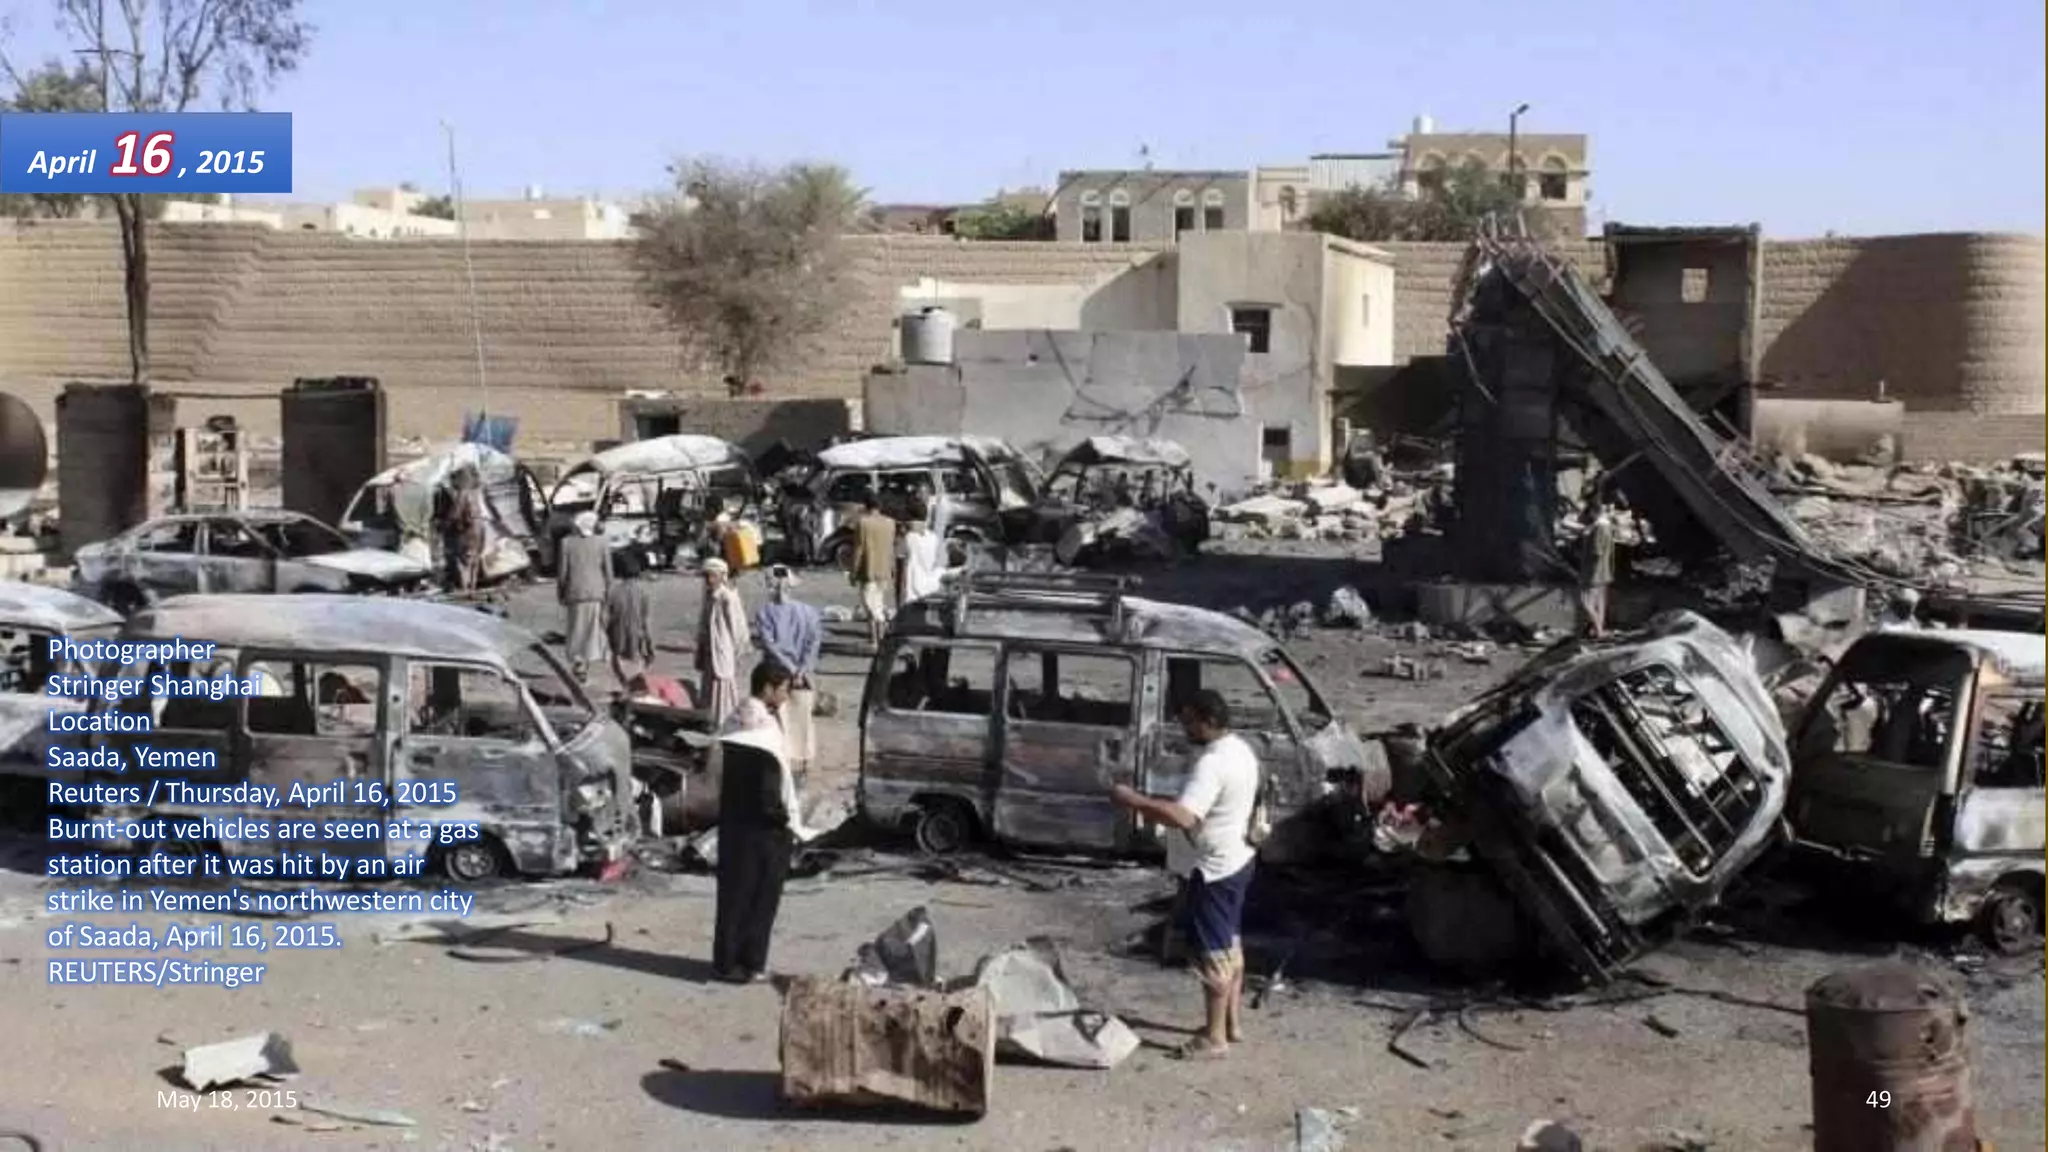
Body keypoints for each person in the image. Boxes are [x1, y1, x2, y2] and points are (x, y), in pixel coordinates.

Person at [1109, 689, 1260, 1059]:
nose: (1184, 727)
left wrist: (1134, 800)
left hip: (1213, 869)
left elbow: (1185, 816)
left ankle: (1214, 1037)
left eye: (1189, 720)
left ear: (1208, 721)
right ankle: (1231, 1024)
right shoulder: (1241, 749)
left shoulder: (1212, 763)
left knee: (1212, 952)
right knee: (1230, 945)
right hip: (1237, 858)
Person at [712, 660, 810, 983]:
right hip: (763, 830)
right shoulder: (763, 731)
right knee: (759, 898)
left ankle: (725, 961)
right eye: (783, 690)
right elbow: (769, 788)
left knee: (733, 896)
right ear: (768, 688)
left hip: (734, 824)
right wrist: (785, 822)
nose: (785, 697)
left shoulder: (737, 719)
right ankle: (749, 963)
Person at [753, 565, 823, 778]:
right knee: (803, 719)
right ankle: (804, 764)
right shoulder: (808, 612)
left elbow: (770, 645)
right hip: (804, 674)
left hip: (775, 672)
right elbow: (814, 643)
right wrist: (801, 670)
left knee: (777, 719)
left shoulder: (764, 613)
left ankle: (779, 763)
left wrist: (791, 670)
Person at [556, 511, 612, 683]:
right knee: (592, 630)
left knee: (576, 629)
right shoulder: (602, 542)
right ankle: (586, 661)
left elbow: (562, 572)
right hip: (597, 592)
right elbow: (608, 572)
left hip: (576, 592)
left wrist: (561, 592)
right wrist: (609, 592)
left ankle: (579, 661)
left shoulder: (566, 543)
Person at [695, 557, 751, 726]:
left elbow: (738, 627)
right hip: (709, 652)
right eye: (706, 576)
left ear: (722, 576)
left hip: (723, 651)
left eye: (712, 576)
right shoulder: (709, 596)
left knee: (723, 689)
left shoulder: (728, 597)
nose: (709, 580)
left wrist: (738, 649)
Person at [848, 492, 897, 648]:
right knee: (878, 603)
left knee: (870, 606)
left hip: (868, 570)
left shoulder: (863, 523)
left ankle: (876, 639)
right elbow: (891, 547)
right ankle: (876, 638)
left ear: (865, 506)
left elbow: (858, 549)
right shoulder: (890, 523)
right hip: (884, 569)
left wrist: (853, 571)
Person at [606, 547, 655, 690]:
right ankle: (634, 688)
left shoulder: (613, 592)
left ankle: (625, 686)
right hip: (637, 637)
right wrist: (651, 647)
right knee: (636, 667)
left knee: (618, 664)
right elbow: (646, 621)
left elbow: (606, 618)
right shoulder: (643, 593)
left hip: (617, 636)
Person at [897, 501, 949, 607]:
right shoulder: (934, 538)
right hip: (928, 589)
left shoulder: (908, 538)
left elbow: (900, 564)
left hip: (910, 592)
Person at [1577, 496, 1616, 639]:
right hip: (1603, 571)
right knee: (1600, 602)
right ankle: (1597, 629)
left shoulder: (1598, 528)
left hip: (1593, 572)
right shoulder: (1606, 526)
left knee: (1586, 601)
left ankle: (1599, 631)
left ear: (1594, 511)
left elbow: (1596, 552)